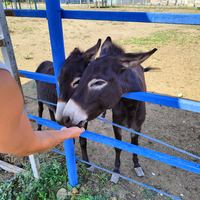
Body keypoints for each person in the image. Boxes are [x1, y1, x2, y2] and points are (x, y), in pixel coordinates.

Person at [0, 61, 85, 157]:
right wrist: (66, 133)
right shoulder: (3, 79)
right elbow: (23, 144)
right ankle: (39, 125)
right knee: (40, 105)